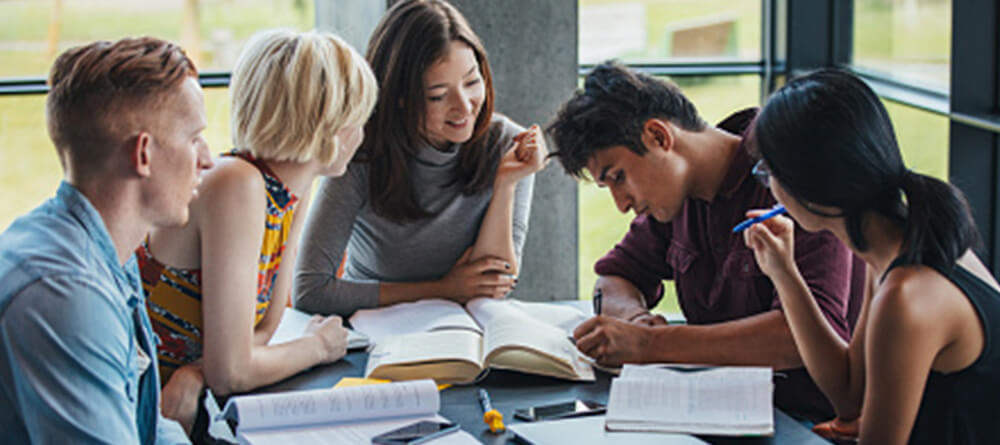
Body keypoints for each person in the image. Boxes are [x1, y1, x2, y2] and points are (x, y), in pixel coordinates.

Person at [546, 61, 865, 421]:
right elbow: (615, 277)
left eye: (618, 177)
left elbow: (802, 337)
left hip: (807, 423)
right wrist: (635, 320)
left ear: (659, 137)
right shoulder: (675, 201)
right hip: (716, 411)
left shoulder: (788, 174)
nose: (621, 205)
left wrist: (652, 346)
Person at [138, 29, 377, 436]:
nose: (363, 133)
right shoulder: (237, 184)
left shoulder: (289, 192)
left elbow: (264, 327)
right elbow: (232, 371)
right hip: (142, 409)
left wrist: (199, 373)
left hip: (187, 407)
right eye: (358, 117)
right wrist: (318, 347)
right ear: (329, 125)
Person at [744, 68, 1000, 444]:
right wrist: (784, 273)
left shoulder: (906, 295)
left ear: (809, 185)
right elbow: (849, 394)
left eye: (769, 174)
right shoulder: (902, 241)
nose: (772, 191)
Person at [0, 37, 210, 443]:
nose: (207, 159)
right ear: (143, 154)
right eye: (193, 138)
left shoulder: (104, 251)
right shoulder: (66, 294)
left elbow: (145, 426)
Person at [293, 0, 547, 316]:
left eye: (471, 81)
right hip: (377, 332)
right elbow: (310, 289)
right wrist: (442, 290)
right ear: (399, 97)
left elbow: (496, 281)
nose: (465, 106)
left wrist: (506, 184)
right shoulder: (360, 152)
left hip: (465, 332)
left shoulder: (507, 144)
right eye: (438, 96)